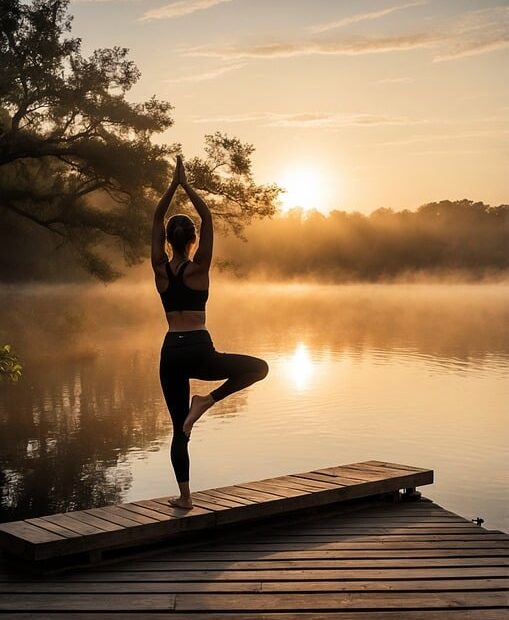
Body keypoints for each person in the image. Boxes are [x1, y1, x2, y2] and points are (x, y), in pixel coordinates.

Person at [151, 155, 269, 509]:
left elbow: (157, 218)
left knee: (178, 428)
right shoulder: (199, 268)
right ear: (194, 240)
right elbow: (209, 218)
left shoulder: (160, 269)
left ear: (168, 239)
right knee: (259, 368)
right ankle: (206, 402)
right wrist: (188, 185)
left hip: (171, 351)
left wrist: (172, 186)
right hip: (200, 350)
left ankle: (185, 497)